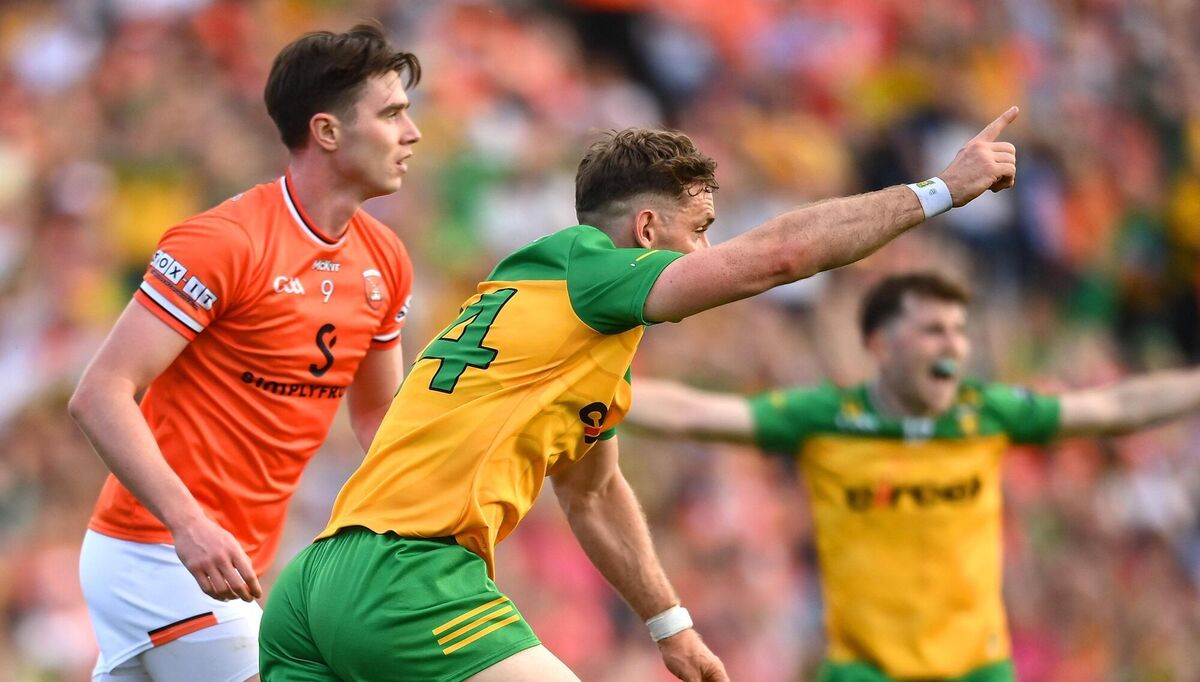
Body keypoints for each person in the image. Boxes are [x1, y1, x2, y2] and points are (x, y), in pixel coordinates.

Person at [258, 106, 1021, 680]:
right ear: (648, 227)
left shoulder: (560, 321)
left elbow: (594, 494)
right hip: (408, 578)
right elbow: (778, 257)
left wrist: (670, 625)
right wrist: (941, 191)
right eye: (702, 228)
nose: (710, 251)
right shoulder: (590, 268)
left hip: (316, 586)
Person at [622, 271, 1200, 682]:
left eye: (959, 331)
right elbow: (695, 413)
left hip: (979, 670)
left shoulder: (985, 412)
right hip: (864, 671)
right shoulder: (827, 419)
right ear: (880, 344)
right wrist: (590, 393)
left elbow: (1113, 409)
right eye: (933, 331)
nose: (953, 345)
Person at [68, 23, 422, 682]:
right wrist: (189, 526)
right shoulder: (224, 242)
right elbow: (99, 393)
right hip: (157, 553)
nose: (413, 133)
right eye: (393, 113)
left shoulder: (386, 260)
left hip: (237, 565)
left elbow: (378, 421)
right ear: (327, 132)